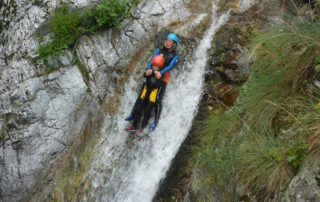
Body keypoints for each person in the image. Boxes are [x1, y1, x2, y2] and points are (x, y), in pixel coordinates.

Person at [125, 33, 179, 134]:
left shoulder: (175, 56)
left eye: (170, 41)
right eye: (167, 40)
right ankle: (132, 115)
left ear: (174, 44)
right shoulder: (159, 50)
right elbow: (151, 61)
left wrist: (161, 73)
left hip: (162, 79)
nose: (167, 42)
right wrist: (148, 70)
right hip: (151, 77)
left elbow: (170, 66)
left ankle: (155, 121)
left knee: (157, 100)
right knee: (141, 96)